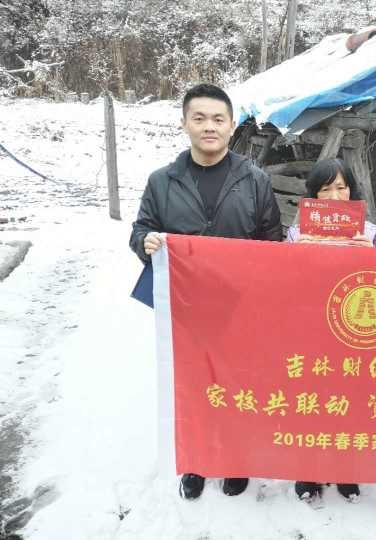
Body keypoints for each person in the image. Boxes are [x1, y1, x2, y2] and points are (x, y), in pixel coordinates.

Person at [129, 83, 282, 500]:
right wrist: (145, 242)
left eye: (218, 119)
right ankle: (196, 461)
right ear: (184, 124)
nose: (209, 127)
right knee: (193, 387)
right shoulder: (162, 181)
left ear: (232, 126)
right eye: (199, 118)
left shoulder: (255, 179)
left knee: (238, 384)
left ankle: (235, 459)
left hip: (240, 307)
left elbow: (272, 240)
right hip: (186, 307)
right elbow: (141, 229)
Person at [286, 158, 376, 501]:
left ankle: (346, 469)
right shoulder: (297, 232)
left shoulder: (369, 231)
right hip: (310, 329)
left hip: (352, 329)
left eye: (341, 187)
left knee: (349, 401)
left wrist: (372, 255)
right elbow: (283, 283)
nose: (335, 196)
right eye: (325, 189)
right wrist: (298, 255)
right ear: (314, 195)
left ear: (352, 191)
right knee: (310, 401)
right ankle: (308, 470)